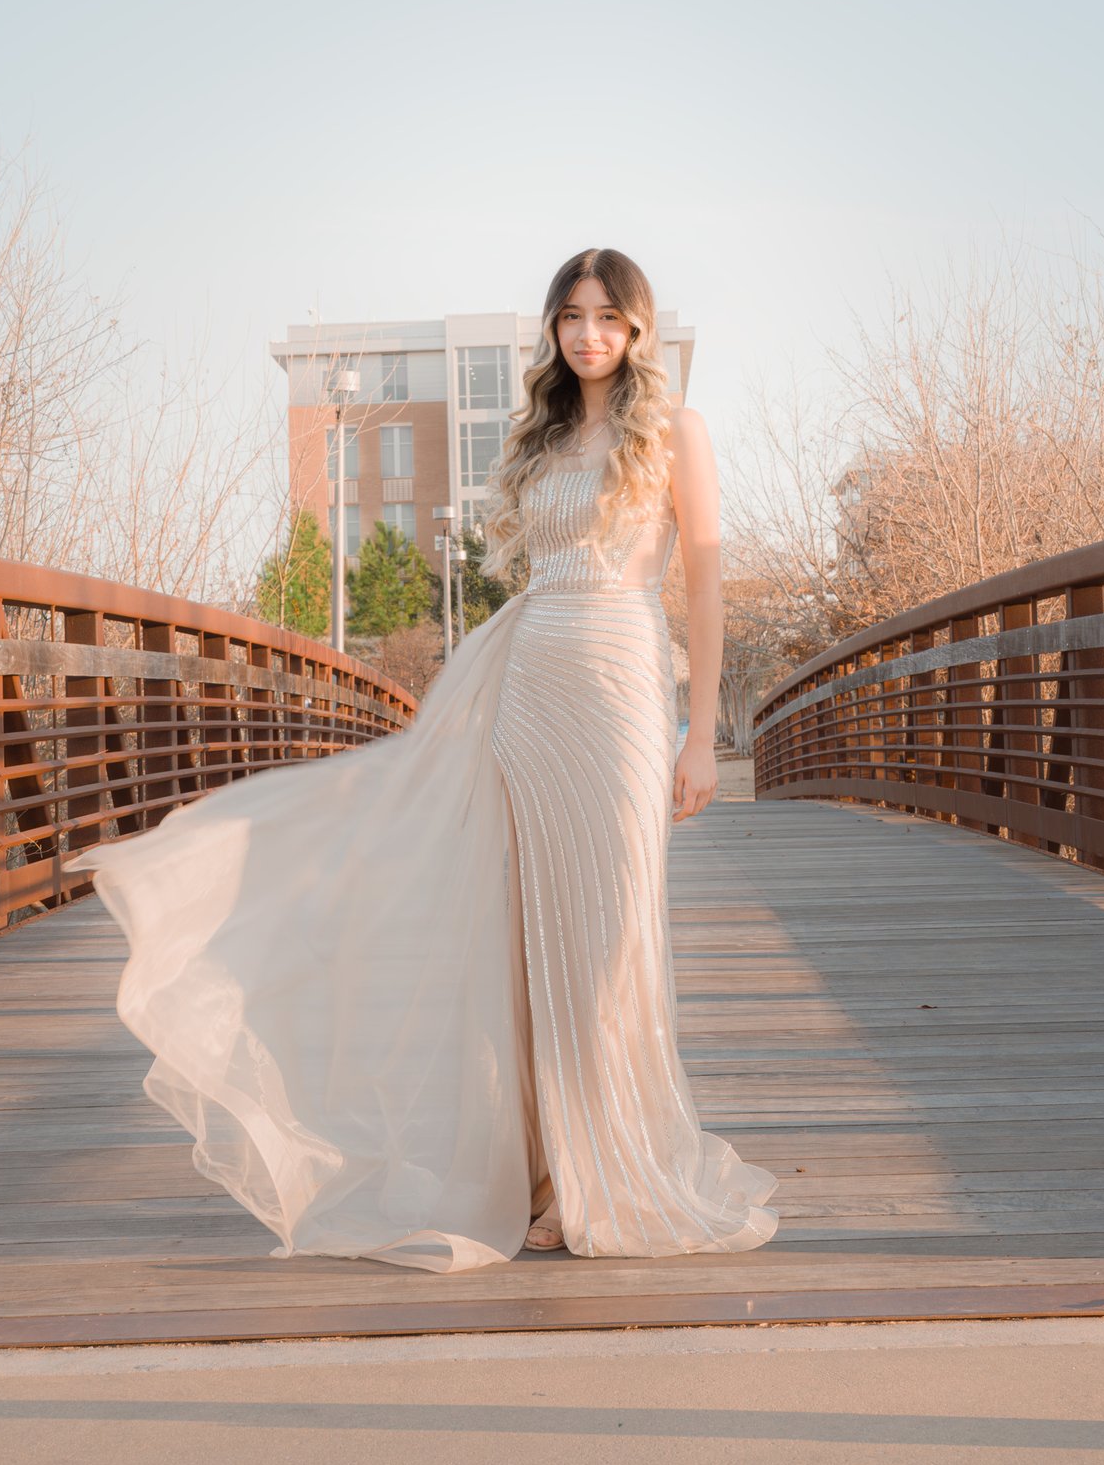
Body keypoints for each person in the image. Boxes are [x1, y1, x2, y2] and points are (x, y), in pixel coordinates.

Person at [85, 247, 779, 1268]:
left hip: (621, 688)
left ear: (637, 329)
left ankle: (611, 1166)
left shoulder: (678, 430)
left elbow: (707, 584)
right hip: (532, 687)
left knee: (609, 933)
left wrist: (701, 732)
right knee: (531, 940)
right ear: (553, 329)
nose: (588, 334)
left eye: (607, 317)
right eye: (571, 316)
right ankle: (550, 1174)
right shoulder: (543, 438)